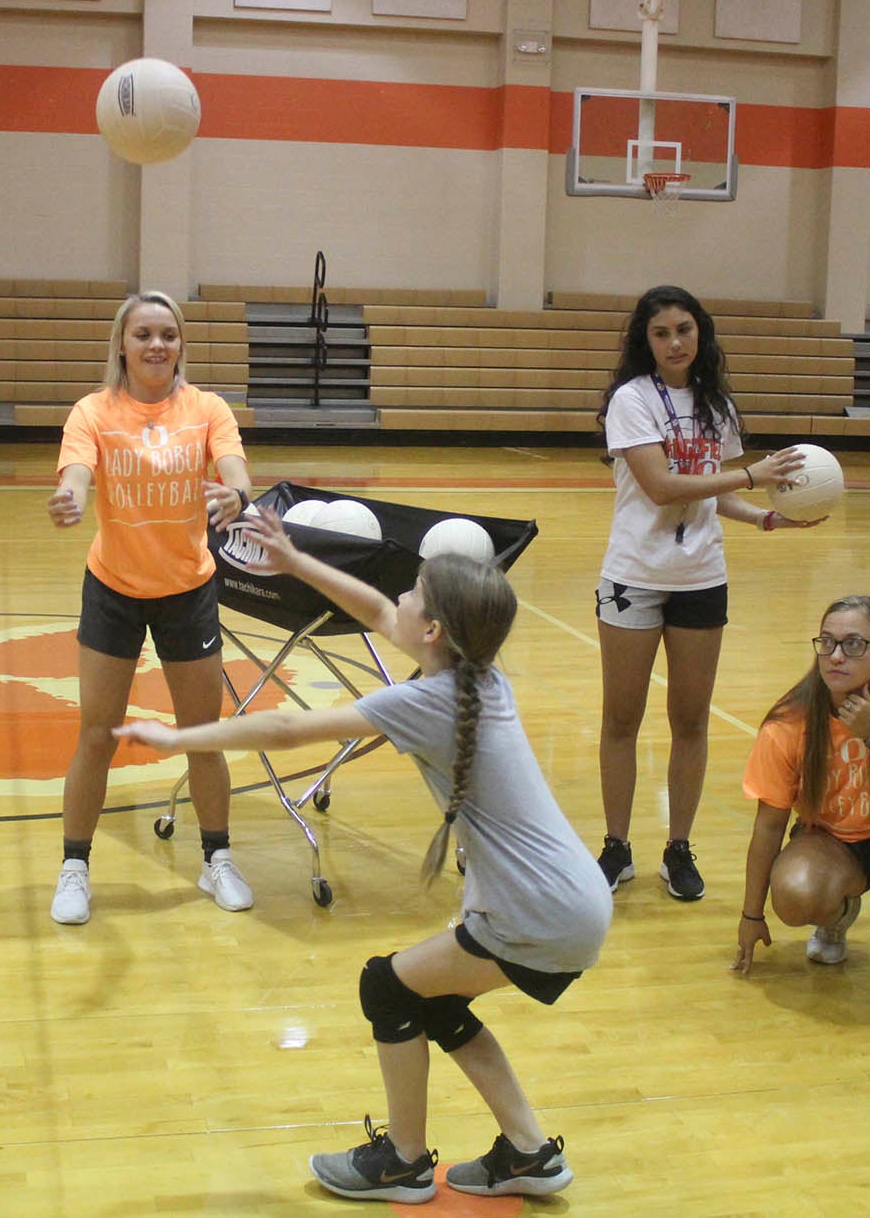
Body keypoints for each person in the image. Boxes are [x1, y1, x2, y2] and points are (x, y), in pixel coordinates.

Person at [116, 511, 612, 1204]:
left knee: (388, 988)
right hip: (574, 899)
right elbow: (378, 608)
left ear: (432, 631)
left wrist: (180, 737)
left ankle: (405, 1161)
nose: (399, 600)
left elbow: (288, 727)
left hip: (539, 910)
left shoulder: (427, 700)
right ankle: (526, 1151)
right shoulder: (476, 677)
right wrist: (295, 562)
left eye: (413, 592)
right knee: (431, 999)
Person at [594, 284, 822, 903]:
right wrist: (754, 473)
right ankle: (617, 846)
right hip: (634, 577)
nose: (674, 342)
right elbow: (664, 486)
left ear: (702, 336)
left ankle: (678, 848)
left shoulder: (717, 406)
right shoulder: (631, 400)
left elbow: (712, 493)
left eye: (685, 330)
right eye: (662, 332)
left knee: (690, 721)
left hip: (701, 579)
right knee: (622, 718)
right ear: (646, 340)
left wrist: (765, 517)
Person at [46, 290, 255, 924]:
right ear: (123, 344)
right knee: (96, 732)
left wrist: (237, 498)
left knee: (203, 734)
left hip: (188, 590)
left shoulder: (208, 408)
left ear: (180, 345)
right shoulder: (92, 411)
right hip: (113, 588)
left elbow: (237, 469)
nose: (157, 344)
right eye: (144, 334)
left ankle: (216, 856)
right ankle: (74, 867)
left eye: (168, 334)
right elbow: (76, 472)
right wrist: (71, 497)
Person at [731, 595, 870, 1038]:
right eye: (828, 643)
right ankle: (836, 916)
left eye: (854, 644)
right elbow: (769, 825)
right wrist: (751, 914)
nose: (836, 656)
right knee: (795, 895)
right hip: (831, 842)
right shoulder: (789, 719)